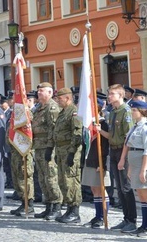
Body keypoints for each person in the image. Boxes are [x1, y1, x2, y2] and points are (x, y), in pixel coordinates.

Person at [100, 83, 136, 233]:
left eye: (112, 94)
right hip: (113, 150)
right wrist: (99, 130)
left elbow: (128, 138)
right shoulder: (113, 112)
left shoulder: (125, 111)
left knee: (126, 187)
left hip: (123, 151)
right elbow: (111, 136)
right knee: (119, 189)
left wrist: (123, 158)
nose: (109, 96)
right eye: (109, 94)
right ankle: (125, 218)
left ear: (121, 95)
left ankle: (132, 220)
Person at [118, 99, 147, 237]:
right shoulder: (135, 127)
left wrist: (143, 170)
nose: (132, 112)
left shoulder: (146, 128)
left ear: (142, 112)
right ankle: (143, 225)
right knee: (141, 196)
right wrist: (129, 166)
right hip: (135, 164)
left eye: (134, 110)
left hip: (143, 163)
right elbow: (128, 145)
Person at [32, 82, 62, 220]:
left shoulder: (52, 108)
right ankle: (48, 206)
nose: (39, 93)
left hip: (48, 148)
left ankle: (57, 206)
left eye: (42, 91)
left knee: (51, 178)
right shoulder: (39, 108)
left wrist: (50, 148)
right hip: (38, 147)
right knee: (42, 178)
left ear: (50, 93)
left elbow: (54, 130)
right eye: (38, 91)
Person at [53, 86, 83, 224]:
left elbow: (77, 134)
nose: (57, 101)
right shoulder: (62, 112)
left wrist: (72, 153)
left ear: (68, 98)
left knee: (71, 181)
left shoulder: (73, 112)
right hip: (61, 150)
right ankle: (69, 208)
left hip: (70, 151)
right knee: (63, 181)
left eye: (59, 98)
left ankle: (75, 211)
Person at [83, 98, 110, 229]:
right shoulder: (89, 123)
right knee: (94, 189)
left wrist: (103, 162)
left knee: (101, 189)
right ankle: (97, 215)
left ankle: (102, 216)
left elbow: (105, 145)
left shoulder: (103, 123)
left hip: (99, 159)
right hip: (90, 158)